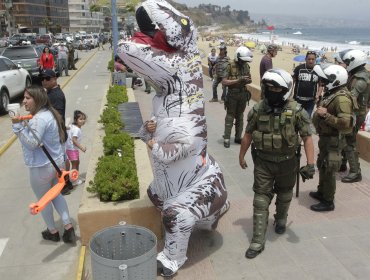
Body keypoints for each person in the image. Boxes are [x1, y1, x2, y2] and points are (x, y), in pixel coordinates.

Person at [119, 1, 229, 276]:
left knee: (174, 213)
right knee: (156, 194)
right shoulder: (164, 96)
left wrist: (155, 144)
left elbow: (184, 144)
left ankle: (172, 258)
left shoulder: (183, 75)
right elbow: (155, 132)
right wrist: (150, 131)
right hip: (175, 181)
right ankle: (207, 215)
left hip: (201, 185)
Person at [239, 68, 315, 258]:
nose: (272, 92)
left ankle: (281, 219)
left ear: (285, 89)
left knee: (285, 194)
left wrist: (311, 163)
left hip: (288, 163)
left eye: (276, 89)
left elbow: (307, 138)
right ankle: (257, 240)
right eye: (269, 88)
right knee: (260, 199)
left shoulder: (296, 111)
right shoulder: (258, 109)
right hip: (263, 163)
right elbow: (248, 134)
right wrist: (241, 155)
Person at [11, 86, 76, 243]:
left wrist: (17, 127)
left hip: (41, 167)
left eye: (28, 98)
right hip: (56, 164)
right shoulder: (49, 114)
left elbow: (32, 143)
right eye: (24, 98)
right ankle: (68, 227)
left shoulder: (39, 119)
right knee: (56, 195)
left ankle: (52, 231)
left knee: (43, 199)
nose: (24, 101)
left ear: (37, 99)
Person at [310, 63, 354, 211]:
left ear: (336, 80)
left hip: (334, 140)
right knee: (322, 165)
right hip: (326, 138)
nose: (323, 82)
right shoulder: (333, 92)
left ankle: (328, 201)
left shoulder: (342, 99)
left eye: (326, 80)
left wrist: (325, 115)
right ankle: (322, 192)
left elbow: (345, 123)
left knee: (329, 170)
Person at [338, 49, 369, 182]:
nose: (345, 64)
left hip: (356, 113)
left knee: (350, 142)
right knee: (345, 138)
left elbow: (351, 96)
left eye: (347, 62)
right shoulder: (359, 74)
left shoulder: (361, 79)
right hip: (355, 112)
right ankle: (343, 164)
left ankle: (356, 172)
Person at [40, 69, 72, 195]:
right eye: (42, 78)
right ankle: (66, 182)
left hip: (58, 132)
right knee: (62, 158)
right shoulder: (50, 93)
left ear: (54, 79)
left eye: (47, 78)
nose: (44, 81)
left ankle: (64, 184)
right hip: (57, 132)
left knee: (60, 159)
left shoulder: (56, 95)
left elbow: (58, 116)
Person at [221, 46, 253, 148]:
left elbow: (250, 79)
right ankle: (226, 138)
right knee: (230, 116)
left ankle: (238, 137)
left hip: (242, 94)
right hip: (232, 94)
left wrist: (247, 80)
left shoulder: (246, 66)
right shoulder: (229, 65)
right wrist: (238, 80)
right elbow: (224, 81)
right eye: (242, 61)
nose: (243, 63)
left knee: (240, 116)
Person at [292, 51, 322, 117]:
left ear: (315, 60)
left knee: (306, 119)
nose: (311, 61)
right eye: (309, 59)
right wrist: (289, 94)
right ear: (305, 59)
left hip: (310, 102)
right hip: (298, 100)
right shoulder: (299, 68)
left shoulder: (318, 70)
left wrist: (318, 95)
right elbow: (292, 82)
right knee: (296, 117)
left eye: (313, 59)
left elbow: (320, 85)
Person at [66, 110, 87, 186]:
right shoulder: (77, 130)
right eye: (80, 119)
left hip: (70, 149)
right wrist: (82, 147)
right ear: (76, 120)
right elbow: (74, 140)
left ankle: (76, 177)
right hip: (72, 149)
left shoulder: (73, 126)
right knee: (75, 165)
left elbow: (67, 128)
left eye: (84, 119)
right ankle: (74, 180)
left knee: (77, 162)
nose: (83, 121)